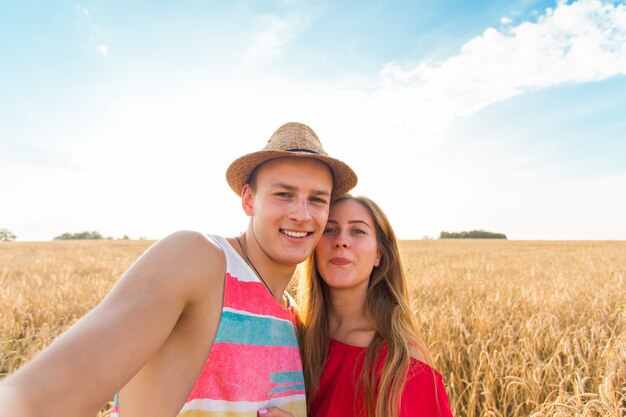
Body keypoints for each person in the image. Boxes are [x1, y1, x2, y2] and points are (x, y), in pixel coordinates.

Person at [0, 122, 357, 417]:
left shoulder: (294, 320)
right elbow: (42, 398)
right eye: (284, 194)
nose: (302, 213)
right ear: (249, 200)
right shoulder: (201, 259)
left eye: (317, 199)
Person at [260, 195, 453, 417]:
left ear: (378, 254)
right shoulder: (292, 334)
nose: (341, 241)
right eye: (330, 230)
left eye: (358, 231)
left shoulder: (401, 363)